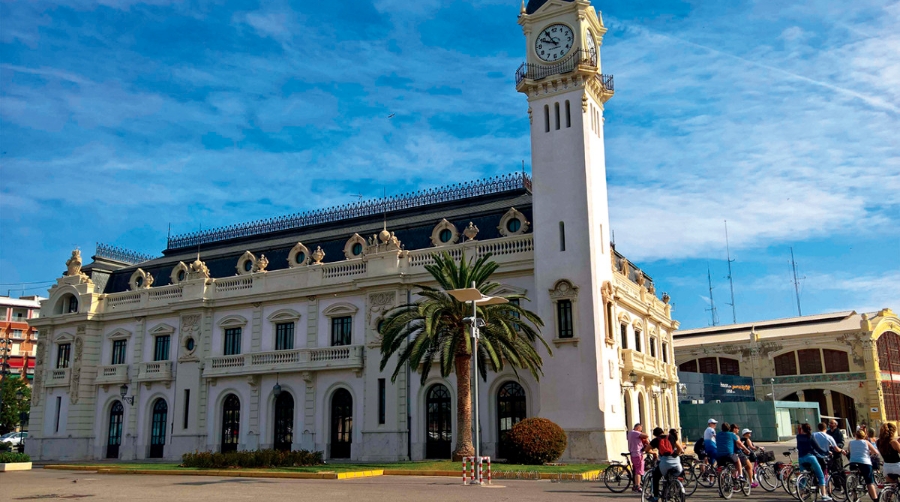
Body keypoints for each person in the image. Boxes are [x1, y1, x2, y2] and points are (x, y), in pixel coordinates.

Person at [798, 422, 832, 501]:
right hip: (810, 457)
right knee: (820, 475)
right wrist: (826, 452)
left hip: (801, 458)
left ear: (802, 429)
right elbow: (817, 447)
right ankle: (824, 495)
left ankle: (801, 494)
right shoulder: (811, 436)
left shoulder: (798, 436)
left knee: (803, 476)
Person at [649, 427, 683, 502]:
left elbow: (647, 449)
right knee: (676, 476)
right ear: (663, 431)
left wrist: (654, 453)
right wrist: (675, 455)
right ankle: (679, 492)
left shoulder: (656, 440)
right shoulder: (672, 437)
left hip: (665, 463)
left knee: (656, 477)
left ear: (655, 435)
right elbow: (680, 449)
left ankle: (655, 497)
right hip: (676, 463)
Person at [846, 428, 880, 501]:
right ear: (864, 436)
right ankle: (875, 499)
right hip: (865, 462)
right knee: (869, 482)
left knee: (854, 479)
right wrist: (870, 453)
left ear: (856, 436)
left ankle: (855, 497)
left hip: (853, 462)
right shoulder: (866, 442)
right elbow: (876, 452)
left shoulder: (851, 442)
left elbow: (849, 451)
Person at [627, 423, 649, 492]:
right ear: (638, 428)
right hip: (637, 453)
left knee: (636, 469)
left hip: (633, 453)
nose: (641, 431)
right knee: (638, 471)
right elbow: (646, 435)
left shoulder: (630, 433)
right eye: (640, 429)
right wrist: (642, 433)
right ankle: (638, 486)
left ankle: (635, 485)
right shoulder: (635, 432)